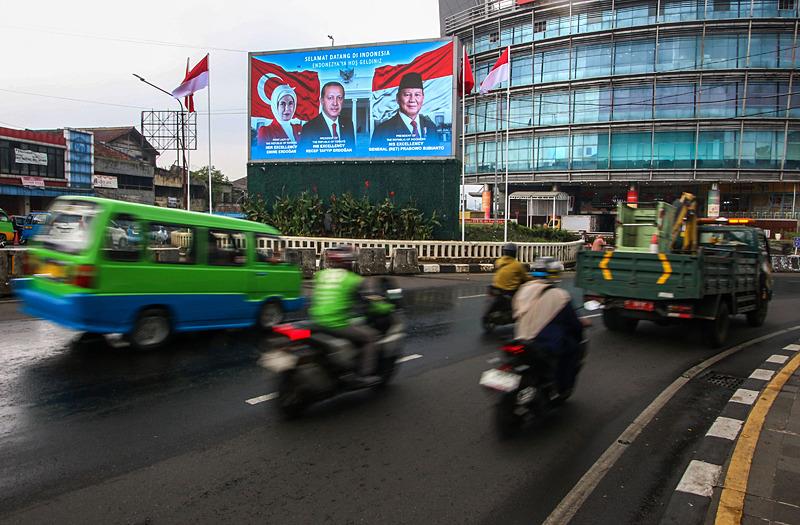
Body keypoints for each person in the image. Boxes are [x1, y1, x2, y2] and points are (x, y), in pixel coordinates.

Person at [308, 246, 391, 386]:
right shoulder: (353, 280)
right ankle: (363, 376)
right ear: (349, 262)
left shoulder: (320, 275)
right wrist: (386, 307)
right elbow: (370, 301)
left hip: (316, 320)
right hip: (337, 323)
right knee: (371, 338)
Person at [512, 258, 585, 394]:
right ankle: (562, 387)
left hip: (520, 339)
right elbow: (573, 323)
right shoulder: (560, 296)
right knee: (572, 349)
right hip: (542, 345)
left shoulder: (523, 289)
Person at [371, 72, 441, 149]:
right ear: (398, 98)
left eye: (417, 95)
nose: (412, 100)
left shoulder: (431, 127)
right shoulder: (382, 131)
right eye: (407, 95)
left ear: (423, 98)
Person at [298, 82, 355, 152]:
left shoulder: (348, 124)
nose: (335, 103)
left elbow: (352, 153)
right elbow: (303, 158)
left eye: (339, 98)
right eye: (330, 98)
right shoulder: (309, 128)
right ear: (322, 101)